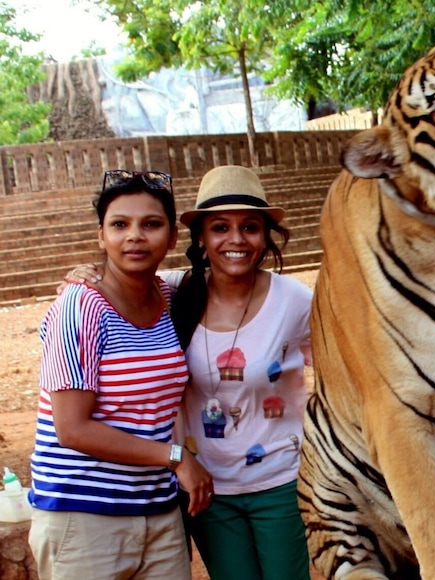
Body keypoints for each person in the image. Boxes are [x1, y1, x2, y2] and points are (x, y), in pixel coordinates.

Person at [66, 165, 313, 580]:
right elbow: (114, 283)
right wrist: (83, 277)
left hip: (281, 481)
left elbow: (344, 371)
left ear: (265, 236)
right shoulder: (172, 291)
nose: (236, 240)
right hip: (205, 487)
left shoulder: (295, 300)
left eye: (250, 227)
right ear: (200, 237)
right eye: (220, 228)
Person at [29, 169, 213, 580]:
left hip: (158, 512)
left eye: (151, 224)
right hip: (84, 516)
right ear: (101, 236)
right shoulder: (79, 307)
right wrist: (175, 457)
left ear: (171, 237)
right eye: (119, 225)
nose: (135, 236)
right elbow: (72, 429)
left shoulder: (168, 297)